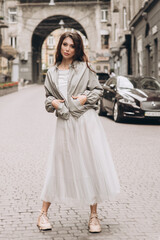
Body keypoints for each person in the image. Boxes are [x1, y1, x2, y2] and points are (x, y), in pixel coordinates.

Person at [37, 31, 120, 233]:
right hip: (64, 123)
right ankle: (43, 214)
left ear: (77, 49)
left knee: (90, 165)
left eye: (72, 46)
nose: (67, 48)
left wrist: (84, 99)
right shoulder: (52, 72)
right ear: (59, 47)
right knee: (58, 165)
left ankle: (94, 216)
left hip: (85, 122)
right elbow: (48, 98)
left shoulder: (85, 68)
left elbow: (97, 91)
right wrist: (53, 102)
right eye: (65, 44)